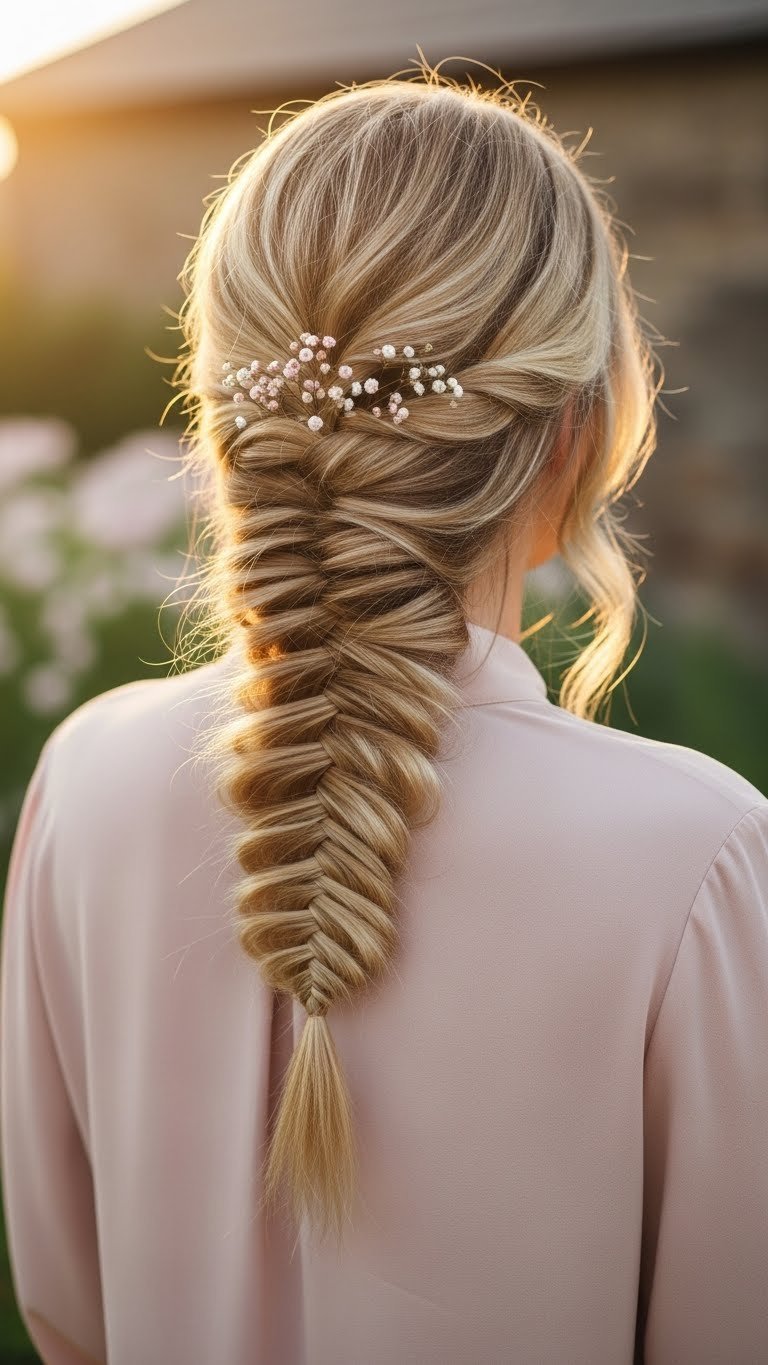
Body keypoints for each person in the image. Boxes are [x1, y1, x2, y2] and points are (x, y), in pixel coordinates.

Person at [1, 63, 767, 1365]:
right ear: (572, 435)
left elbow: (67, 1311)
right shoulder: (699, 857)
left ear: (234, 414)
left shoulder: (85, 780)